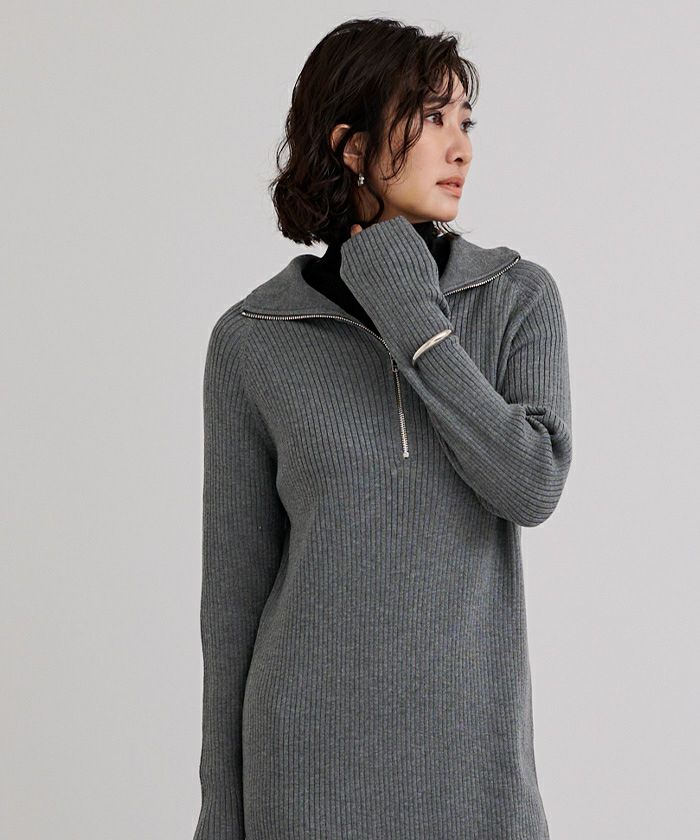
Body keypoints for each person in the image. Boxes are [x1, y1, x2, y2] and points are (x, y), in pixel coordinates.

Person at [193, 17, 573, 840]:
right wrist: (221, 814)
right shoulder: (254, 338)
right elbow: (231, 606)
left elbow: (531, 485)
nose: (461, 147)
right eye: (432, 118)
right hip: (304, 774)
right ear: (353, 146)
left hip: (474, 775)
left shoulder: (516, 299)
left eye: (465, 120)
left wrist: (415, 320)